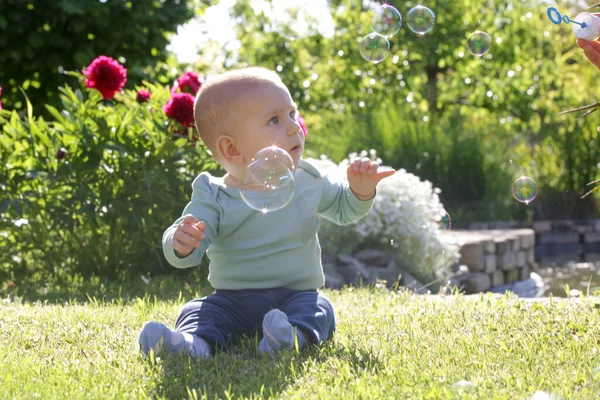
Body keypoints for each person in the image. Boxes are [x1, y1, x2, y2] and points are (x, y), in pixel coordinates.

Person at [138, 67, 395, 358]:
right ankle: (189, 344)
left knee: (320, 308)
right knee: (197, 311)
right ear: (232, 149)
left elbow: (343, 208)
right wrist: (180, 242)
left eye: (291, 114)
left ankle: (288, 337)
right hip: (231, 302)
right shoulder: (214, 195)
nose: (293, 127)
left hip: (295, 297)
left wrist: (361, 192)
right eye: (274, 119)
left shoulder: (307, 180)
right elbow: (190, 246)